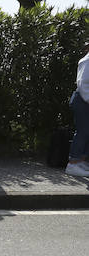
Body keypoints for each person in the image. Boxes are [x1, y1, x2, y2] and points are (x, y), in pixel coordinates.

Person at [65, 46, 89, 177]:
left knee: (86, 131)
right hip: (84, 100)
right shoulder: (87, 60)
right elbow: (83, 83)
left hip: (85, 99)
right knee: (83, 131)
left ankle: (81, 160)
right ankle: (73, 163)